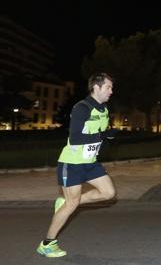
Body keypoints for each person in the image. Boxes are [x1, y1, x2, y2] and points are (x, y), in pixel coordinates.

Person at [36, 73, 119, 258]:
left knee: (109, 193)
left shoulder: (104, 110)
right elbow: (75, 138)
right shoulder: (82, 107)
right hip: (71, 163)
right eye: (108, 87)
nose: (111, 91)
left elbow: (97, 137)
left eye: (111, 88)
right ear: (96, 87)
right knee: (71, 204)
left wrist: (107, 138)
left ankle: (67, 203)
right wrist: (104, 136)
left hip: (90, 163)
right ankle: (47, 243)